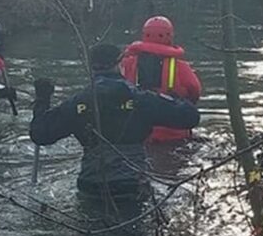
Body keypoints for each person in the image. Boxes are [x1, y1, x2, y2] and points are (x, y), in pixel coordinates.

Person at [30, 44, 200, 196]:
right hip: (131, 186)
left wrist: (42, 101)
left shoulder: (78, 102)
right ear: (119, 64)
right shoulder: (141, 99)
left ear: (90, 67)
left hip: (91, 187)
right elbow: (190, 118)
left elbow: (40, 134)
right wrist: (175, 98)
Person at [120, 16, 202, 142]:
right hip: (174, 133)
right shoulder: (181, 66)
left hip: (140, 134)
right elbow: (195, 91)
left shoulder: (128, 64)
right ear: (170, 36)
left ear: (144, 35)